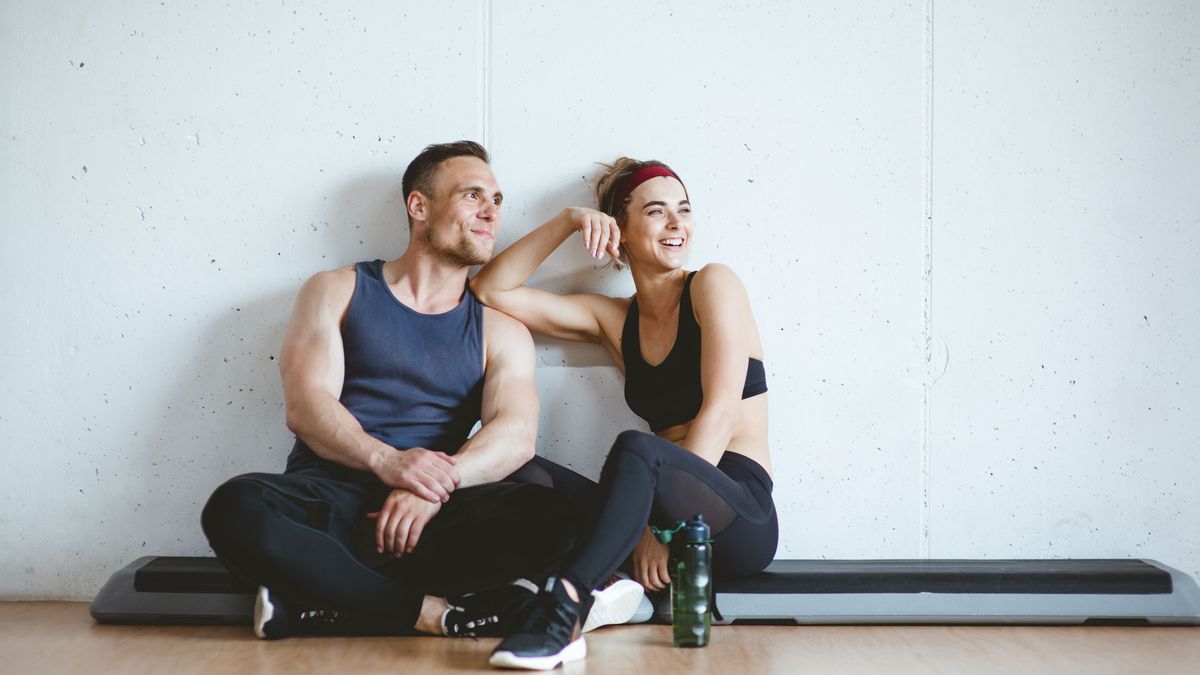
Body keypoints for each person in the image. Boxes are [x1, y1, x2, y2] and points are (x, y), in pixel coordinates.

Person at [200, 141, 603, 640]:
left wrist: (437, 486)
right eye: (473, 195)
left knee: (552, 516)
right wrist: (390, 463)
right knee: (235, 506)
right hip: (333, 501)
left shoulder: (501, 331)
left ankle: (330, 600)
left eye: (497, 201)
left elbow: (516, 434)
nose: (490, 212)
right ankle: (427, 612)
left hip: (434, 514)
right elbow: (306, 406)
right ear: (419, 206)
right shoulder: (337, 290)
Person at [471, 158, 778, 669]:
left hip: (735, 513)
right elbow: (490, 290)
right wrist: (570, 220)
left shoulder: (713, 284)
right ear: (620, 232)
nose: (678, 224)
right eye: (657, 212)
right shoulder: (614, 320)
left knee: (637, 449)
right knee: (515, 464)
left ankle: (564, 610)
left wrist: (663, 529)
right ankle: (613, 587)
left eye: (684, 210)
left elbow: (721, 412)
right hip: (659, 503)